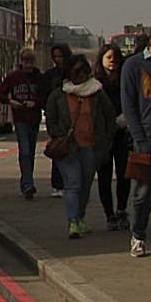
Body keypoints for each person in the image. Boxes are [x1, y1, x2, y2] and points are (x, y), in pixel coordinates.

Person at [45, 53, 115, 238]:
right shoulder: (59, 94)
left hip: (91, 146)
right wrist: (58, 134)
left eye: (83, 71)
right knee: (73, 184)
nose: (80, 75)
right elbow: (50, 118)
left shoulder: (96, 92)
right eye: (76, 72)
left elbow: (110, 116)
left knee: (84, 186)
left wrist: (106, 140)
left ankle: (80, 218)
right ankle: (73, 222)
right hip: (68, 148)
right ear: (69, 73)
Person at [121, 19, 151, 258]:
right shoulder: (133, 66)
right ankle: (138, 235)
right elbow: (128, 106)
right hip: (144, 139)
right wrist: (140, 137)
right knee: (142, 192)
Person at [0, 48, 44, 199]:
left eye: (31, 62)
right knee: (25, 151)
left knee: (30, 154)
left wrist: (34, 103)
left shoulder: (39, 78)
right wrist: (10, 101)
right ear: (21, 62)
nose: (28, 65)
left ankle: (26, 183)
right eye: (26, 62)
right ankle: (28, 185)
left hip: (34, 119)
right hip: (20, 119)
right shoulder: (13, 77)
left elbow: (45, 96)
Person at [94, 43, 130, 229]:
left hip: (123, 133)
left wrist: (125, 119)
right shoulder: (95, 84)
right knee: (104, 175)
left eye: (116, 58)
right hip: (103, 135)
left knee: (124, 174)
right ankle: (109, 214)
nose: (113, 62)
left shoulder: (125, 79)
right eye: (109, 58)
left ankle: (122, 209)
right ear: (101, 59)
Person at [39, 43, 71, 197]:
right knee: (58, 149)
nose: (58, 60)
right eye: (56, 57)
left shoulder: (72, 73)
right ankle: (57, 184)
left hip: (72, 117)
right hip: (56, 117)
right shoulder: (50, 75)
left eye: (61, 56)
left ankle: (68, 182)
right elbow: (44, 95)